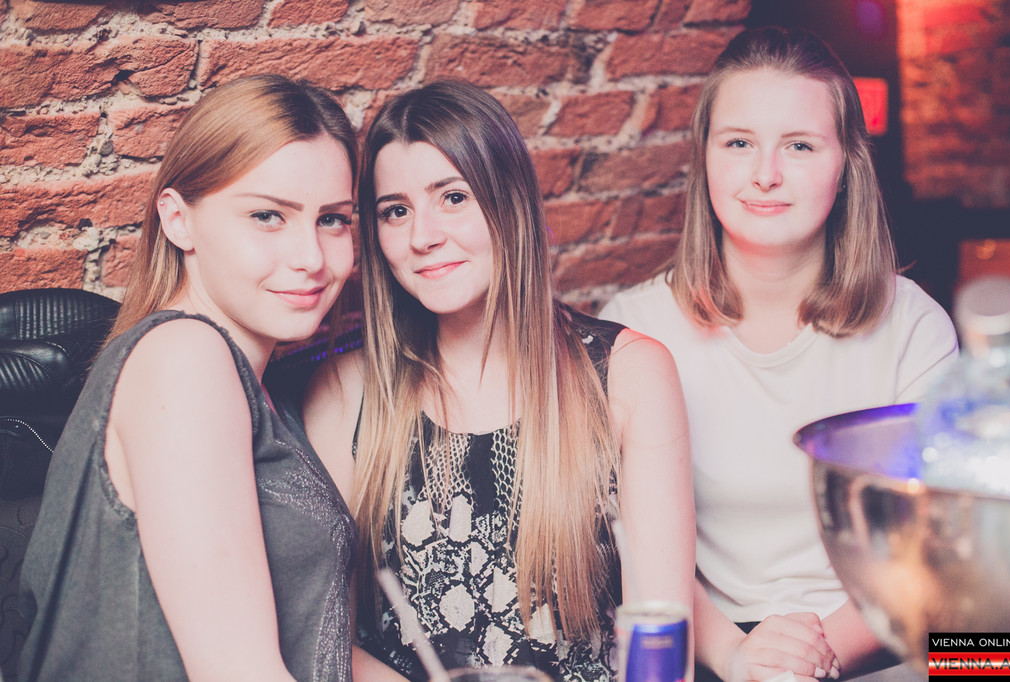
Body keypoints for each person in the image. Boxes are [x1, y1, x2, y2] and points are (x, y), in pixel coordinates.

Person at [302, 79, 695, 682]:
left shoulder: (628, 374)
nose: (422, 236)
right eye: (396, 211)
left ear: (509, 201)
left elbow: (664, 650)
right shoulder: (346, 390)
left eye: (453, 197)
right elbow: (323, 640)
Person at [600, 27, 958, 682]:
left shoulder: (915, 326)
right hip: (714, 654)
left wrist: (811, 658)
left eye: (799, 145)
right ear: (704, 157)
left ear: (847, 166)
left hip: (882, 648)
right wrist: (736, 656)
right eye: (739, 143)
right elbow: (627, 543)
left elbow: (929, 549)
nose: (765, 175)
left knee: (1000, 650)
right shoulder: (632, 328)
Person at [18, 74, 360, 681]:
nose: (311, 257)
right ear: (178, 220)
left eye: (333, 219)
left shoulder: (261, 389)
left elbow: (319, 648)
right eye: (267, 216)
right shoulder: (185, 359)